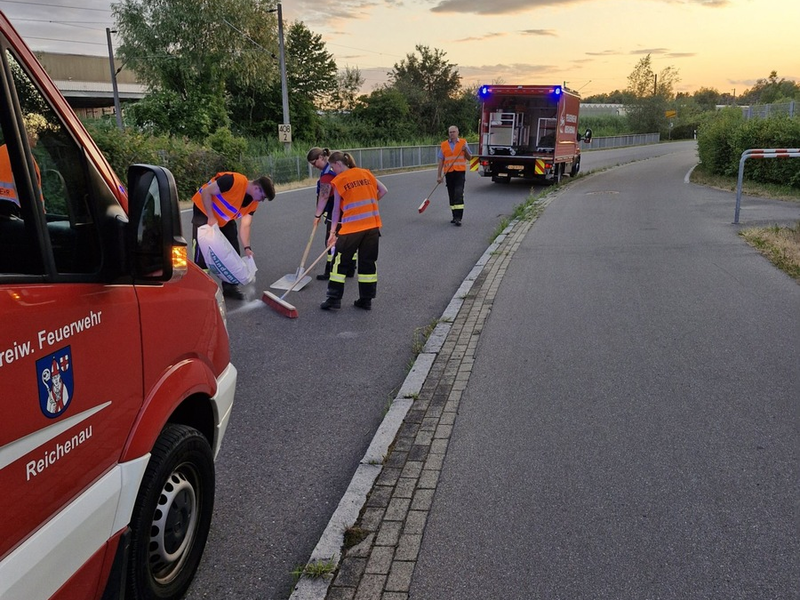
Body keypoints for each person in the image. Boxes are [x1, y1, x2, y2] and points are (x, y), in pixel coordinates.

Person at [320, 151, 388, 311]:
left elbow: (336, 210)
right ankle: (366, 300)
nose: (332, 170)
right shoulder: (366, 173)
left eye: (332, 167)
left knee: (339, 263)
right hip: (372, 226)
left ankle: (333, 299)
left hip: (352, 227)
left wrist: (332, 233)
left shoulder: (339, 180)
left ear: (337, 164)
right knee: (367, 264)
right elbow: (384, 190)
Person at [191, 171, 275, 300]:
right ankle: (202, 290)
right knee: (202, 251)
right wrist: (211, 217)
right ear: (257, 188)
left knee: (232, 248)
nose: (261, 200)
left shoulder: (253, 203)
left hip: (224, 219)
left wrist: (247, 248)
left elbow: (245, 225)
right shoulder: (233, 181)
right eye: (262, 197)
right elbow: (207, 192)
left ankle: (230, 288)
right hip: (203, 210)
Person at [436, 125, 472, 226]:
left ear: (458, 132)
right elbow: (441, 161)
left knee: (458, 193)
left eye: (454, 132)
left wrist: (465, 150)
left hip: (460, 172)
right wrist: (439, 176)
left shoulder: (463, 143)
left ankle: (458, 217)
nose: (452, 134)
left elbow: (470, 158)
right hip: (449, 173)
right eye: (450, 132)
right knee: (451, 194)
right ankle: (454, 215)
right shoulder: (443, 145)